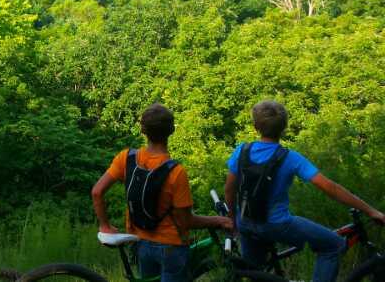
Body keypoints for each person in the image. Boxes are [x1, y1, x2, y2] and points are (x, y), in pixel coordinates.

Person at [224, 100, 385, 282]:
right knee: (333, 246)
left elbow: (229, 190)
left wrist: (232, 219)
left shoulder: (241, 151)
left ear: (256, 127)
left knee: (256, 273)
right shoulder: (291, 158)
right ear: (285, 127)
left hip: (245, 222)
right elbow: (330, 188)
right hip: (278, 225)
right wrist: (370, 210)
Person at [92, 103, 232, 282]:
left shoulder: (126, 158)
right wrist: (219, 220)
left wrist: (104, 225)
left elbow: (97, 192)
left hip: (140, 242)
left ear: (143, 130)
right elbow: (186, 221)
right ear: (172, 130)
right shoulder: (176, 172)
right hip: (171, 247)